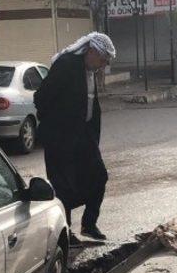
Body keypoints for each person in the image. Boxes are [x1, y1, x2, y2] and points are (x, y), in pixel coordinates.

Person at [34, 31, 116, 243]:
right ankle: (65, 233)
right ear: (91, 51)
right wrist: (55, 125)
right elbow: (41, 97)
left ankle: (89, 224)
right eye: (103, 59)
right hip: (60, 138)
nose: (103, 65)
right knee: (63, 186)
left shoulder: (89, 71)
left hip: (83, 137)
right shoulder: (67, 64)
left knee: (99, 176)